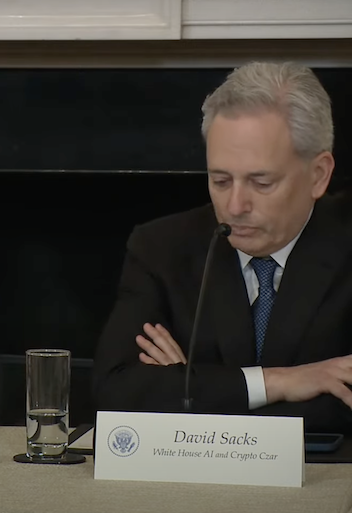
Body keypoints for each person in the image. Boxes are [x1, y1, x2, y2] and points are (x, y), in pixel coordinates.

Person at [94, 61, 352, 433]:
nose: (235, 206)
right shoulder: (162, 248)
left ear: (318, 175)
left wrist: (193, 389)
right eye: (220, 181)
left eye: (261, 183)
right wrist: (278, 383)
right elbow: (116, 394)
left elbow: (341, 409)